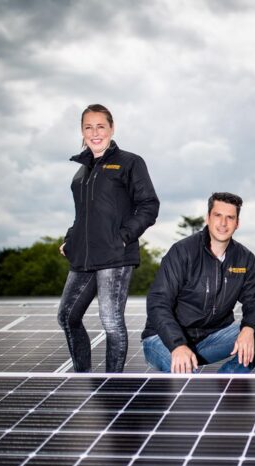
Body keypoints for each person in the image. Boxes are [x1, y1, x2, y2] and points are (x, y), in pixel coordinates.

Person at [57, 104, 159, 372]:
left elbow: (149, 205)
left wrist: (123, 237)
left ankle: (113, 383)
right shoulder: (81, 173)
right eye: (88, 127)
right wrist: (71, 238)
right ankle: (82, 375)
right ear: (82, 131)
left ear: (111, 128)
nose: (95, 132)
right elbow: (83, 216)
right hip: (84, 257)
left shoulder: (130, 162)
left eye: (100, 126)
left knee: (111, 321)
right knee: (67, 316)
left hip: (115, 256)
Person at [142, 192, 255, 373]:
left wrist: (249, 329)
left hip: (212, 338)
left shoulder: (244, 258)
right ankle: (186, 365)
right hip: (164, 340)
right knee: (183, 372)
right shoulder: (182, 252)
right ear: (208, 218)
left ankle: (224, 379)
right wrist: (178, 345)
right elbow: (158, 302)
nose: (223, 223)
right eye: (218, 216)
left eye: (230, 217)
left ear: (237, 223)